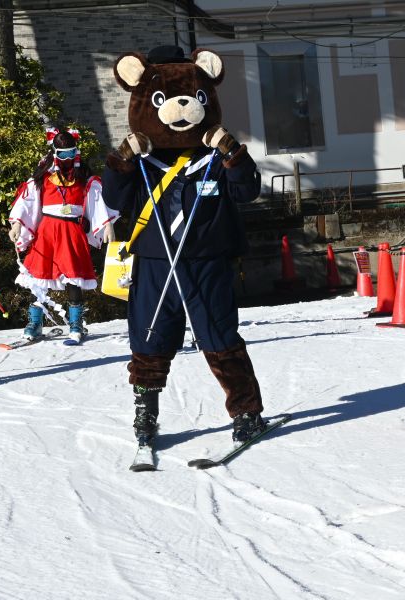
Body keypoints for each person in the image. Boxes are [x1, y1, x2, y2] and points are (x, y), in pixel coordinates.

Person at [102, 45, 266, 448]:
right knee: (149, 339)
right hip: (156, 263)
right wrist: (121, 161)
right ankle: (146, 411)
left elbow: (247, 192)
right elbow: (113, 199)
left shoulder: (215, 156)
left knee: (220, 337)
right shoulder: (144, 161)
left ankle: (247, 412)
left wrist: (234, 155)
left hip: (207, 261)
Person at [8, 128, 117, 344]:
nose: (67, 158)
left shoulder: (84, 178)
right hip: (47, 231)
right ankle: (35, 322)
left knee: (73, 279)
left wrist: (106, 225)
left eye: (71, 153)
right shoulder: (43, 179)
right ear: (55, 154)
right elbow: (27, 202)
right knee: (39, 278)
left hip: (71, 232)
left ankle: (77, 324)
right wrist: (17, 223)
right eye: (62, 154)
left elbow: (97, 201)